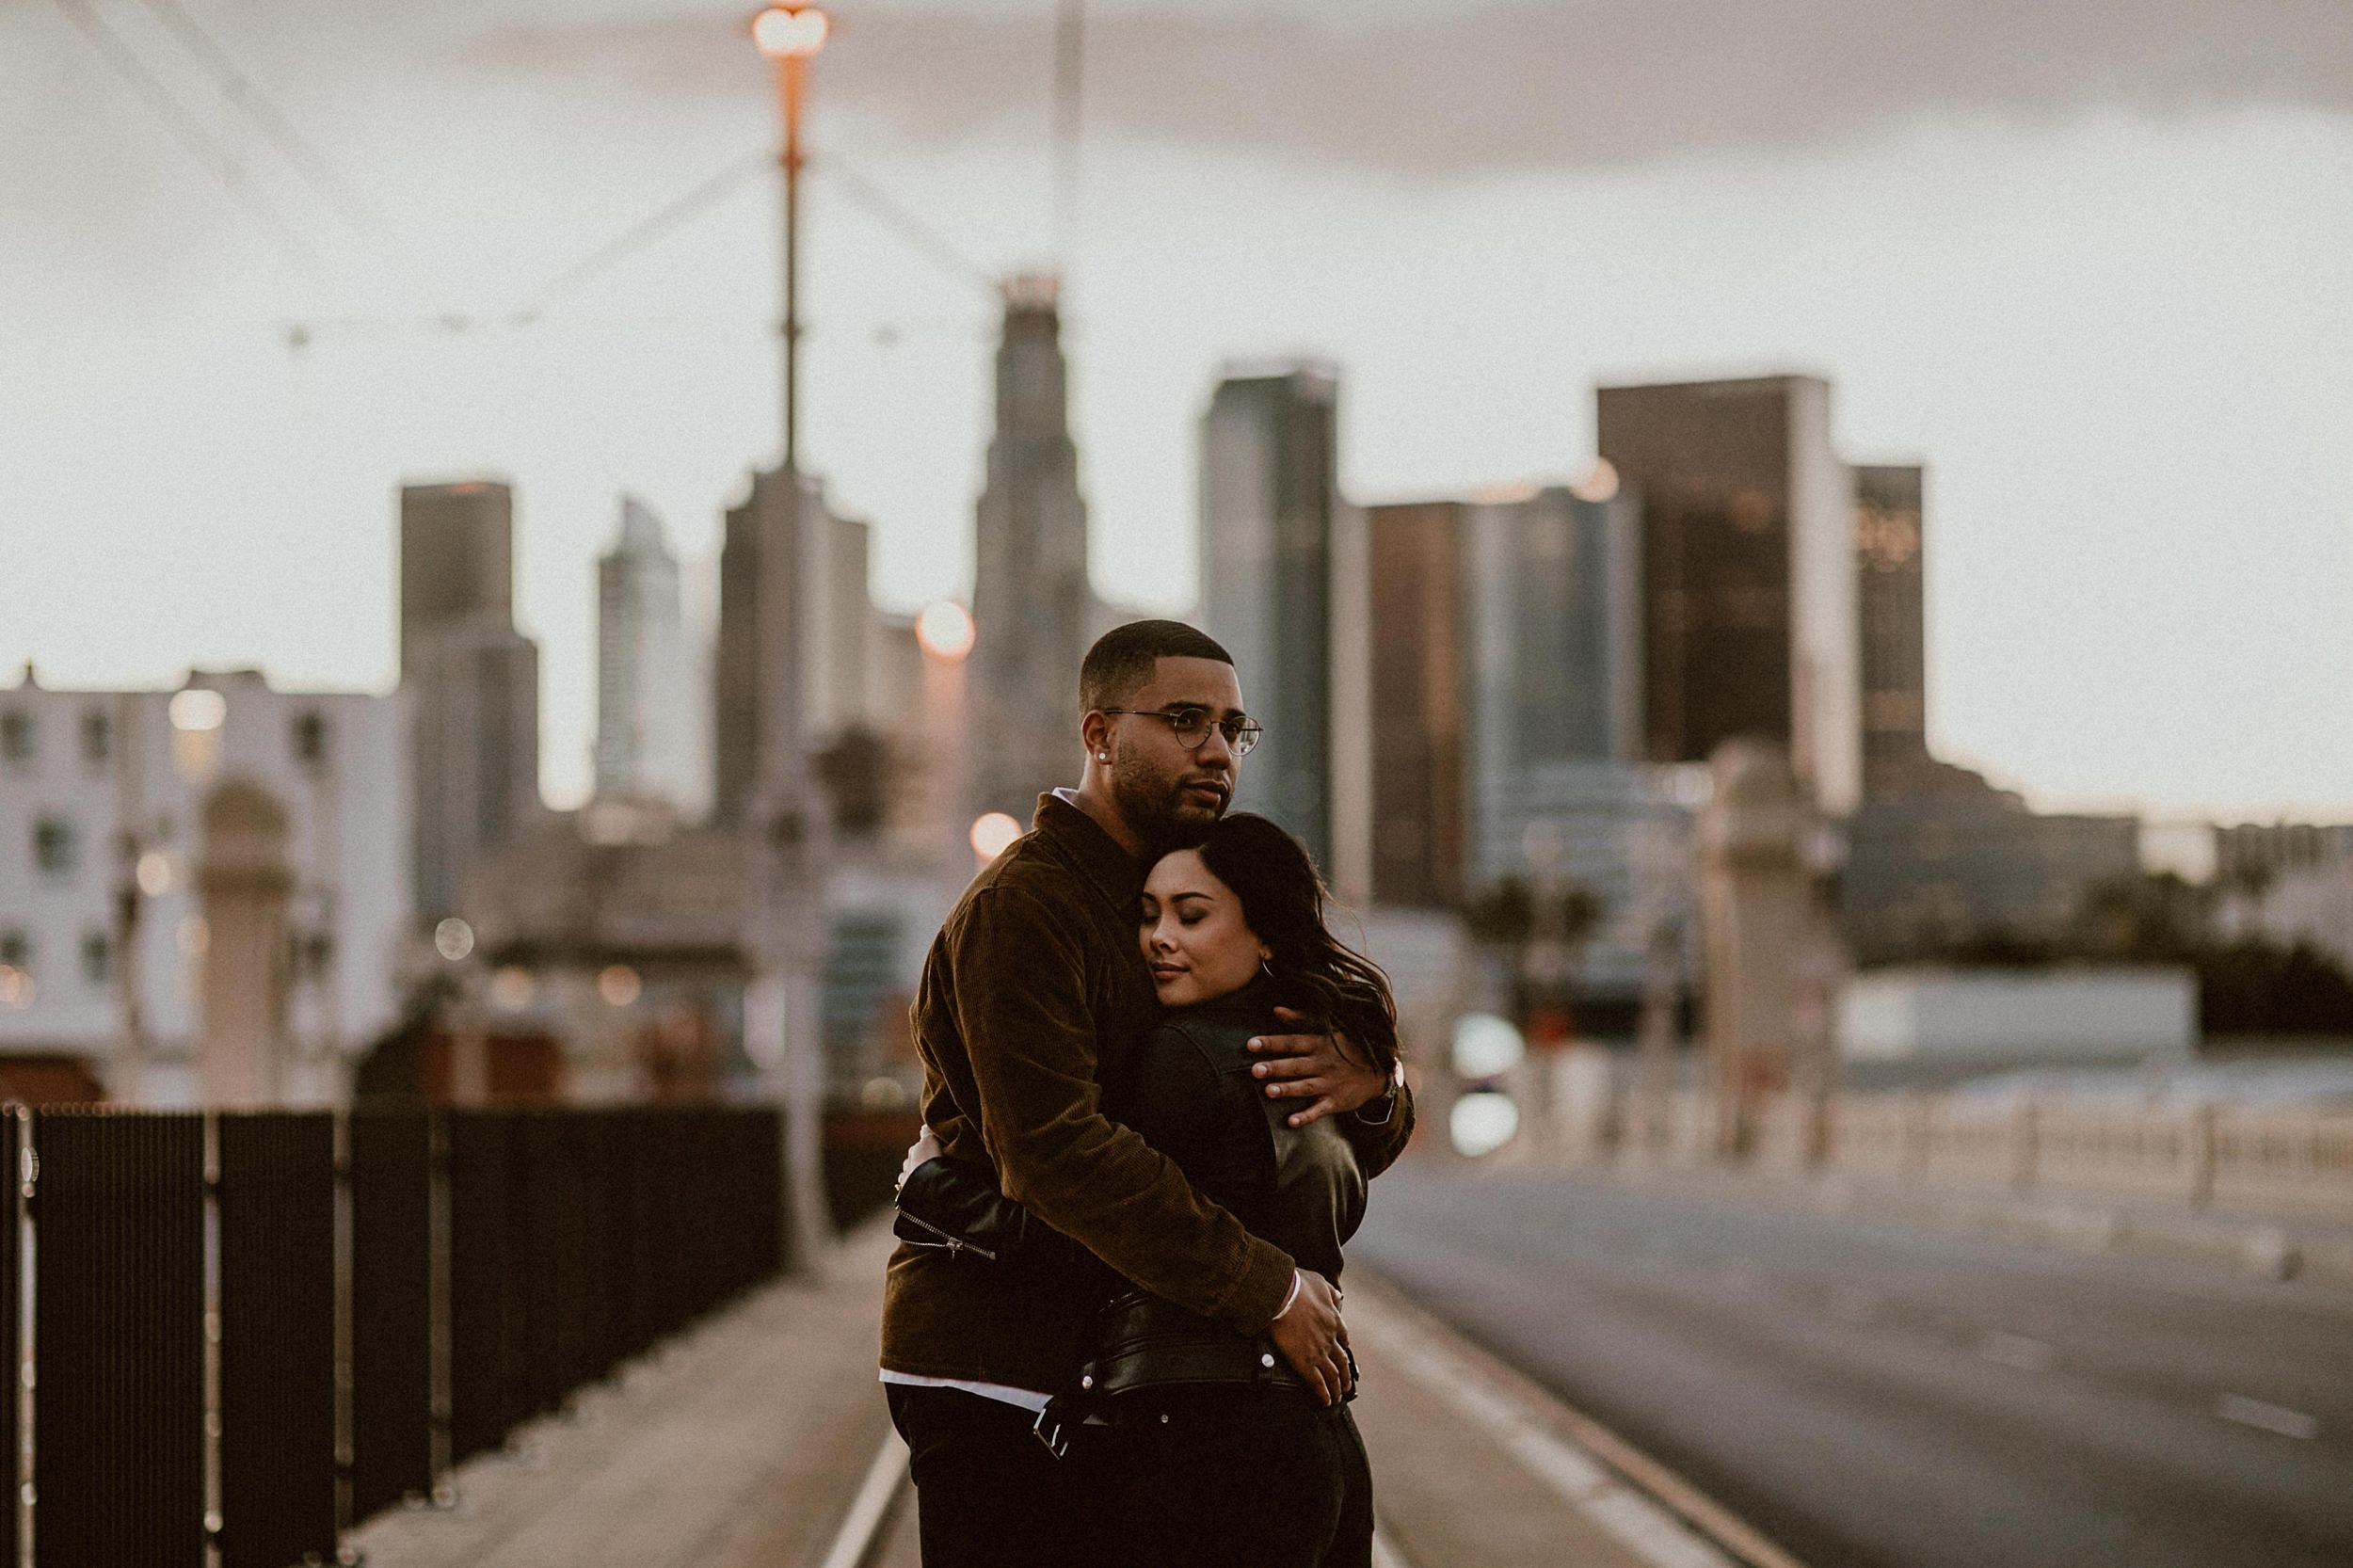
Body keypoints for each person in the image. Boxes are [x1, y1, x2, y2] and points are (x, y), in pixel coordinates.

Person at [879, 620, 1413, 1567]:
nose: (1214, 749)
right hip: (999, 1364)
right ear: (1097, 734)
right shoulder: (1028, 908)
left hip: (1130, 1368)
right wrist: (1266, 1285)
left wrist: (1375, 1087)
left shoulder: (1191, 898)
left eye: (1232, 728)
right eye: (1183, 720)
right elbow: (1056, 1150)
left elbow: (1266, 1122)